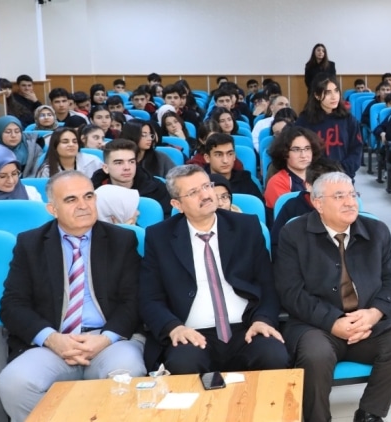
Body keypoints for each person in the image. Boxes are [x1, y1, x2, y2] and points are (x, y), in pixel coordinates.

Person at [0, 171, 145, 421]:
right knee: (13, 384)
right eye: (71, 200)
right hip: (54, 342)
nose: (83, 205)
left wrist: (105, 339)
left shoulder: (121, 239)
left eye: (88, 196)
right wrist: (52, 339)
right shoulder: (30, 244)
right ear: (52, 209)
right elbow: (12, 305)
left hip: (110, 340)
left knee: (127, 374)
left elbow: (135, 300)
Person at [275, 172, 391, 422]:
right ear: (318, 203)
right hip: (316, 324)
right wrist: (333, 321)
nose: (350, 202)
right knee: (316, 355)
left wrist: (374, 313)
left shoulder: (376, 230)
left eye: (352, 194)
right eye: (339, 196)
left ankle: (369, 413)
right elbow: (290, 292)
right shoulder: (294, 234)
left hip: (367, 322)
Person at [138, 165, 289, 374]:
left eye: (206, 186)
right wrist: (174, 327)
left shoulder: (246, 227)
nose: (205, 195)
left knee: (274, 355)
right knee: (183, 363)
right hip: (192, 333)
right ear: (177, 204)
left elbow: (268, 283)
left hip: (246, 328)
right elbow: (150, 297)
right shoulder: (159, 237)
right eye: (193, 192)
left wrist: (262, 320)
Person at [297, 76, 363, 178]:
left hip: (343, 175)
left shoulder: (348, 119)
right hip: (313, 177)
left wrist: (341, 170)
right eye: (328, 92)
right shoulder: (304, 120)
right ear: (317, 95)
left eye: (336, 91)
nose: (334, 96)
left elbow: (356, 150)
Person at [90, 139, 173, 219]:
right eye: (119, 163)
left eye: (131, 162)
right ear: (106, 168)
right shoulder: (93, 191)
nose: (127, 167)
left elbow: (170, 222)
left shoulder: (157, 188)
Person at [264, 125, 322, 209]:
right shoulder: (277, 182)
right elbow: (291, 213)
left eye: (307, 148)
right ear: (284, 153)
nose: (303, 155)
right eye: (296, 150)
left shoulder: (322, 177)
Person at [201, 132, 263, 200]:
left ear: (234, 156)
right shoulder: (199, 183)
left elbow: (260, 208)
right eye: (218, 155)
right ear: (207, 158)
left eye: (230, 154)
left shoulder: (245, 180)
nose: (225, 160)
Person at [36, 127, 104, 178]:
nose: (71, 145)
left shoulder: (93, 162)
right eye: (65, 142)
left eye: (75, 142)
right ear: (55, 146)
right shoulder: (47, 170)